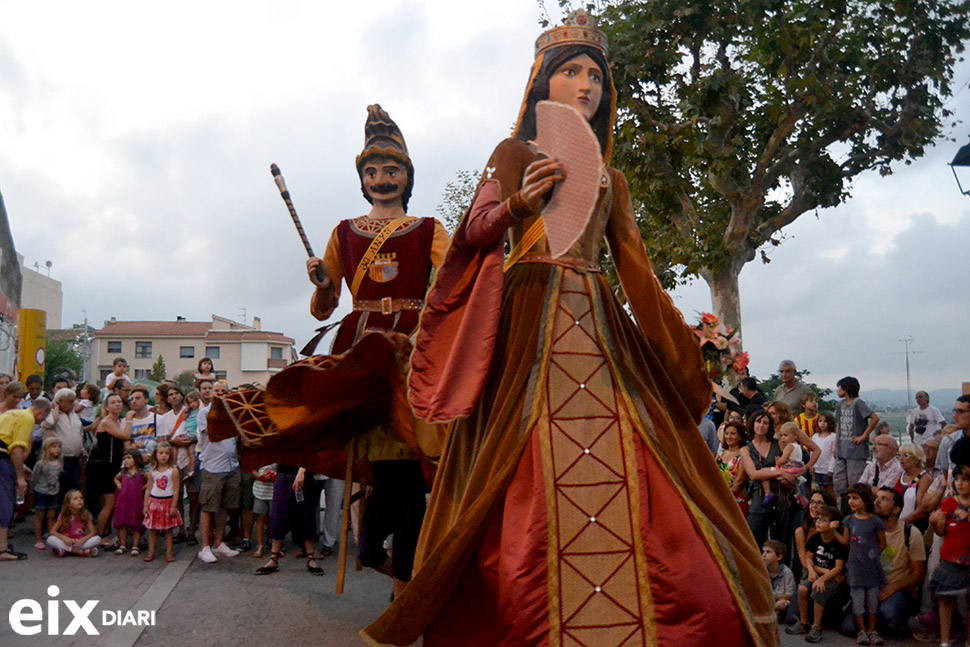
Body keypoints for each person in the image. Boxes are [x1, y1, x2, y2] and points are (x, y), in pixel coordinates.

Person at [363, 12, 776, 645]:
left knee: (648, 451)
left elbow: (637, 269)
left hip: (597, 319)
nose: (587, 86)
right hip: (526, 312)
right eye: (572, 72)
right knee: (515, 454)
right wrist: (518, 205)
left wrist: (684, 346)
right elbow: (474, 233)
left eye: (596, 76)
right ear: (542, 85)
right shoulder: (513, 153)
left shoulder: (614, 179)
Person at [298, 103, 448, 599]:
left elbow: (456, 285)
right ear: (362, 180)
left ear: (408, 177)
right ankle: (402, 576)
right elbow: (324, 309)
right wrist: (322, 283)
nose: (382, 178)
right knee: (386, 466)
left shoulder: (430, 229)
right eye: (372, 171)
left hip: (410, 347)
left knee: (405, 465)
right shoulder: (343, 232)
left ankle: (406, 582)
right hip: (362, 349)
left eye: (392, 170)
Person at [839, 487, 925, 637]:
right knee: (848, 628)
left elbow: (918, 574)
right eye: (876, 497)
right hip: (866, 585)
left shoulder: (910, 533)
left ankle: (892, 623)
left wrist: (893, 587)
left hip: (897, 590)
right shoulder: (861, 526)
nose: (877, 501)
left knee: (888, 613)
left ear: (896, 509)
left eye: (884, 499)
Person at [786, 504, 847, 643]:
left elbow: (838, 568)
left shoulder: (838, 544)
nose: (818, 522)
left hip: (832, 578)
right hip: (818, 572)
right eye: (817, 519)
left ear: (833, 524)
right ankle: (804, 622)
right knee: (802, 588)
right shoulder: (815, 538)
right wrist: (812, 571)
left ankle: (817, 626)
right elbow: (808, 558)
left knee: (818, 591)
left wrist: (822, 578)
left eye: (823, 520)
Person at [195, 378, 241, 563]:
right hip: (212, 467)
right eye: (217, 391)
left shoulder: (234, 412)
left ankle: (218, 543)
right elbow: (213, 434)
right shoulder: (204, 412)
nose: (220, 394)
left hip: (231, 465)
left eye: (224, 391)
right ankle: (205, 547)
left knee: (224, 507)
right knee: (208, 507)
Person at [0, 398, 51, 561]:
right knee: (5, 503)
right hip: (2, 461)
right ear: (41, 411)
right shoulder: (27, 418)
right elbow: (16, 449)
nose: (41, 421)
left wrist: (22, 467)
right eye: (43, 417)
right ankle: (2, 549)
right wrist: (20, 477)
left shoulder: (12, 414)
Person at [838, 483, 887, 645]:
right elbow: (845, 542)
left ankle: (872, 630)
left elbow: (882, 543)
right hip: (855, 568)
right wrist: (832, 532)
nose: (851, 502)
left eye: (855, 498)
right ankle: (862, 630)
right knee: (858, 600)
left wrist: (871, 556)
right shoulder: (848, 520)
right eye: (850, 498)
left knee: (872, 601)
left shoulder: (876, 521)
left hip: (871, 568)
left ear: (865, 500)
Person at [254, 464, 323, 577]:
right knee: (279, 515)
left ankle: (310, 557)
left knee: (306, 516)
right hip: (283, 474)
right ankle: (274, 558)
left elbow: (310, 451)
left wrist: (302, 471)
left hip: (304, 475)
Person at [928, 464, 970, 647]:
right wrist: (934, 522)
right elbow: (940, 532)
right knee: (945, 598)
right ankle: (945, 640)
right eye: (958, 479)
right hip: (951, 556)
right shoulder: (949, 503)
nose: (960, 484)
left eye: (965, 480)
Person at [87, 392, 128, 545]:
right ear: (106, 407)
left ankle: (105, 532)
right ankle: (99, 535)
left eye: (119, 401)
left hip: (113, 466)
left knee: (110, 503)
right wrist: (129, 420)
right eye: (113, 402)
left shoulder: (118, 421)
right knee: (109, 503)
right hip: (103, 466)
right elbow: (124, 436)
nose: (117, 404)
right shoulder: (107, 422)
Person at [834, 376, 880, 500]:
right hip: (842, 450)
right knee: (839, 481)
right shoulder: (840, 404)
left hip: (855, 451)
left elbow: (875, 418)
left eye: (839, 387)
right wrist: (836, 445)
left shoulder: (858, 403)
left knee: (855, 482)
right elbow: (838, 425)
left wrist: (863, 436)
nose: (837, 390)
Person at [41, 388, 84, 503]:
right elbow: (49, 424)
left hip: (74, 459)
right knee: (58, 489)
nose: (72, 404)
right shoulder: (51, 413)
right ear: (60, 400)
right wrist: (56, 408)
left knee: (72, 488)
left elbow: (79, 432)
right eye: (70, 402)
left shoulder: (74, 414)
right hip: (59, 459)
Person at [142, 441, 182, 562]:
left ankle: (169, 552)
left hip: (167, 502)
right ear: (156, 454)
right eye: (161, 453)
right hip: (154, 502)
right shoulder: (152, 472)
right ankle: (151, 552)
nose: (163, 456)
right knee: (152, 530)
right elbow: (148, 489)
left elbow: (176, 489)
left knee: (168, 530)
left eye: (166, 453)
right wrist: (145, 505)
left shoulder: (173, 471)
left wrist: (174, 506)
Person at [47, 489, 100, 557]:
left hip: (79, 542)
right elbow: (52, 531)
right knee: (50, 539)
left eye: (81, 498)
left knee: (97, 539)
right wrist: (64, 538)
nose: (79, 500)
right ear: (68, 504)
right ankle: (77, 552)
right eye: (75, 499)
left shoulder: (86, 514)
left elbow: (93, 532)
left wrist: (83, 540)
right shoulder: (64, 515)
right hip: (67, 542)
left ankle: (67, 551)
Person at [32, 437, 63, 550]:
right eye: (54, 447)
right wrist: (32, 491)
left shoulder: (59, 463)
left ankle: (52, 537)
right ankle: (38, 539)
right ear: (46, 448)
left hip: (54, 492)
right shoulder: (41, 464)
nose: (57, 449)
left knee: (52, 516)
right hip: (41, 492)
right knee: (40, 516)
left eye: (59, 447)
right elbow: (34, 478)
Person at [113, 450, 145, 556]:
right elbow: (116, 478)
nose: (126, 460)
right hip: (124, 501)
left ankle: (135, 545)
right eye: (125, 458)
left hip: (136, 501)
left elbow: (150, 480)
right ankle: (123, 544)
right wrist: (119, 486)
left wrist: (143, 488)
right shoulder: (123, 472)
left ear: (136, 459)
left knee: (137, 522)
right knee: (122, 522)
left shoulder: (141, 472)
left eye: (129, 458)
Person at [716, 419, 749, 516]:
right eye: (726, 434)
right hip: (717, 496)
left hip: (735, 498)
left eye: (732, 434)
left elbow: (740, 481)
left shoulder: (743, 454)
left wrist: (724, 496)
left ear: (740, 437)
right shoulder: (721, 453)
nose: (728, 437)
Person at [895, 442, 931, 530]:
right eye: (899, 455)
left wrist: (899, 524)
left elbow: (921, 510)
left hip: (914, 528)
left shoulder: (924, 478)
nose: (901, 459)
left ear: (916, 459)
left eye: (906, 456)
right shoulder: (901, 475)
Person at [763, 539, 796, 624]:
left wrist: (773, 597)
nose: (764, 555)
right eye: (763, 552)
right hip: (766, 600)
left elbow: (789, 595)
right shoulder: (761, 570)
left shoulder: (786, 572)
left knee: (783, 605)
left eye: (768, 552)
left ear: (779, 556)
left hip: (779, 602)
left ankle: (771, 613)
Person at [125, 386, 158, 463]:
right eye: (132, 399)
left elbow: (161, 442)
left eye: (138, 398)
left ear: (146, 400)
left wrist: (149, 457)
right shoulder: (126, 421)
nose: (134, 401)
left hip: (153, 463)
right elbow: (126, 443)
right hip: (133, 464)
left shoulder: (158, 419)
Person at [813, 411, 838, 499]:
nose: (822, 424)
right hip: (818, 468)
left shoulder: (833, 437)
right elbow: (813, 452)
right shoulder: (815, 436)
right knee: (821, 489)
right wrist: (812, 465)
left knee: (830, 489)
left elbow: (833, 454)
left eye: (825, 421)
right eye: (820, 421)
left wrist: (831, 469)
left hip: (827, 469)